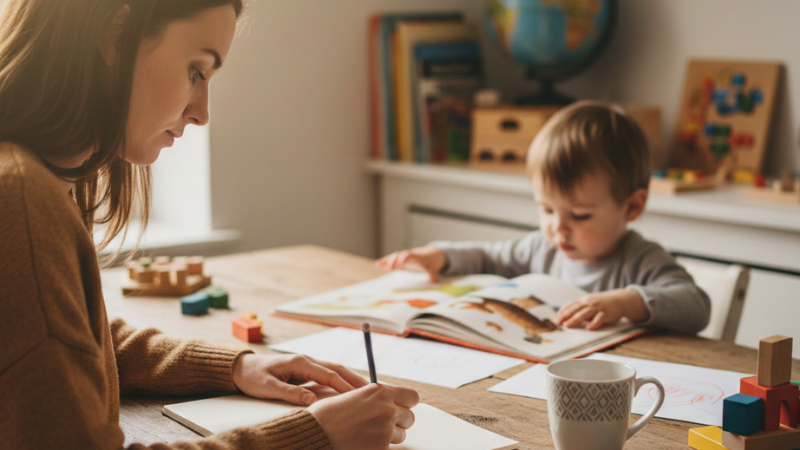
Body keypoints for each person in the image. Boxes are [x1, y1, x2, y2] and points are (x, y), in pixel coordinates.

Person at [0, 0, 418, 449]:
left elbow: (61, 339)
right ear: (115, 38)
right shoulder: (21, 198)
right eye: (196, 72)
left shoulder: (30, 175)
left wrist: (233, 366)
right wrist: (316, 435)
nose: (201, 113)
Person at [377, 101, 711, 334]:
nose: (558, 228)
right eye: (547, 209)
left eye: (579, 215)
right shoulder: (542, 248)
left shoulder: (639, 259)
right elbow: (488, 256)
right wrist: (440, 256)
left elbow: (696, 305)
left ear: (632, 207)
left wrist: (626, 302)